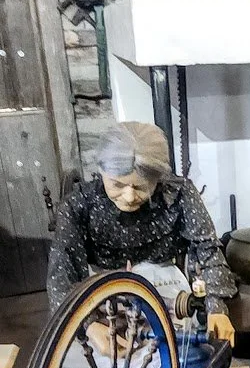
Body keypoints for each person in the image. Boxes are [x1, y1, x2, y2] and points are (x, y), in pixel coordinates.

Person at [47, 121, 237, 345]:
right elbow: (61, 277)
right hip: (106, 295)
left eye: (141, 186)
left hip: (168, 290)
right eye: (117, 185)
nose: (129, 197)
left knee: (185, 351)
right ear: (101, 171)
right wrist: (89, 325)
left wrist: (217, 308)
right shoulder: (78, 205)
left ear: (158, 178)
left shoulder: (179, 193)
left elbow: (208, 249)